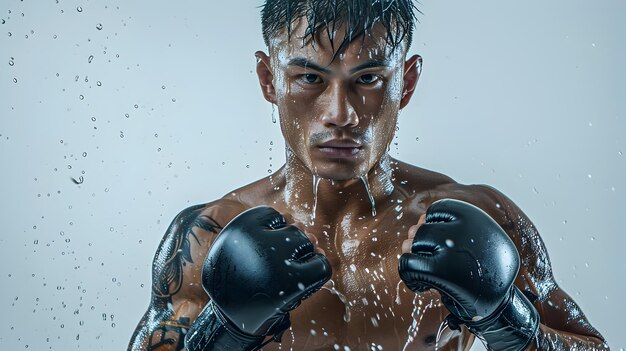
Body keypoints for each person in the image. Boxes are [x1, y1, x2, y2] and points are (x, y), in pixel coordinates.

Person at [128, 1, 608, 350]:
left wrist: (506, 317)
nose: (341, 114)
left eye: (368, 79)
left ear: (408, 81)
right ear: (269, 79)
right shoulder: (208, 237)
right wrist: (223, 331)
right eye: (310, 78)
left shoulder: (477, 216)